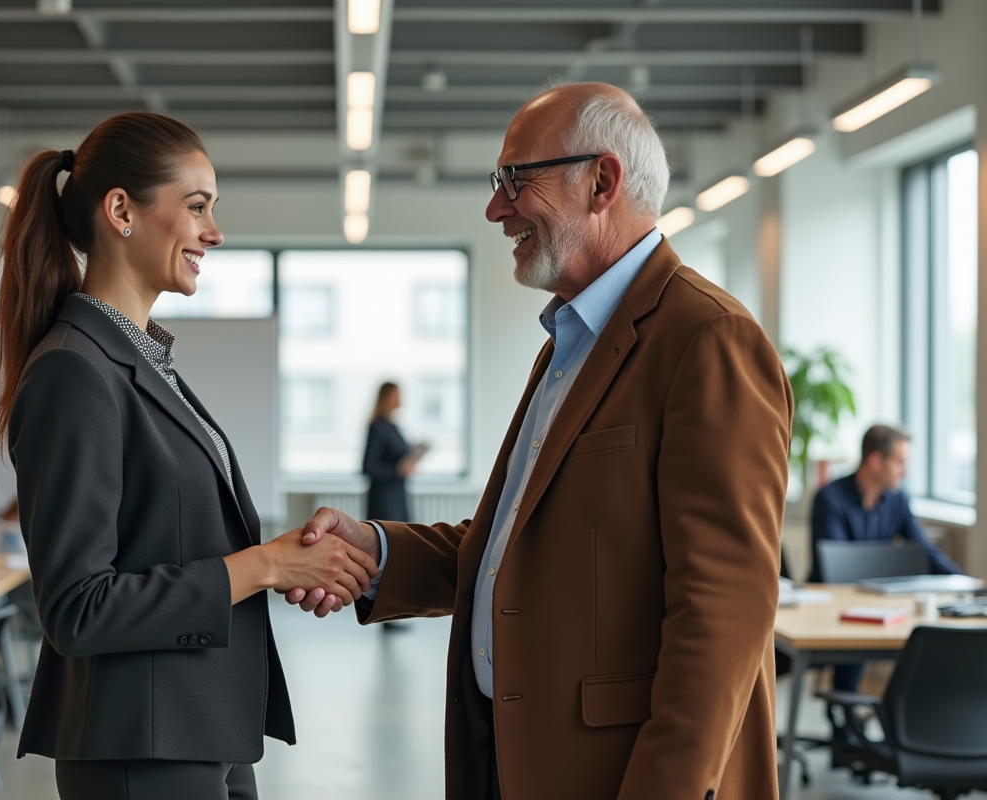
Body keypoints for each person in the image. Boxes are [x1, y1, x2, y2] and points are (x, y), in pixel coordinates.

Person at [287, 83, 792, 799]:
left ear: (602, 181)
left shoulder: (707, 339)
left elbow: (723, 612)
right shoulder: (570, 341)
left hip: (617, 775)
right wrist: (379, 553)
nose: (496, 209)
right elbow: (517, 547)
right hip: (514, 757)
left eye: (514, 180)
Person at [0, 112, 377, 800]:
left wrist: (282, 562)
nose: (215, 232)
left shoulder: (140, 360)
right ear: (121, 211)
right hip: (142, 740)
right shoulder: (75, 372)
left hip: (200, 726)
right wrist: (264, 565)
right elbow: (78, 609)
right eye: (196, 207)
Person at [809, 424, 961, 694]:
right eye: (900, 462)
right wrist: (892, 559)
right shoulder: (830, 498)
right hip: (831, 610)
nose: (905, 471)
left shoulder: (897, 499)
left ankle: (869, 720)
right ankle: (845, 719)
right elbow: (836, 566)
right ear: (876, 461)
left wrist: (963, 581)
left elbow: (923, 549)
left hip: (879, 607)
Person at [363, 382, 423, 523]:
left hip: (399, 495)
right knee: (389, 538)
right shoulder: (377, 427)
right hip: (384, 499)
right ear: (387, 397)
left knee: (404, 535)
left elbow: (401, 454)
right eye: (396, 395)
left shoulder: (394, 427)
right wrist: (397, 470)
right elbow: (368, 467)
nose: (400, 398)